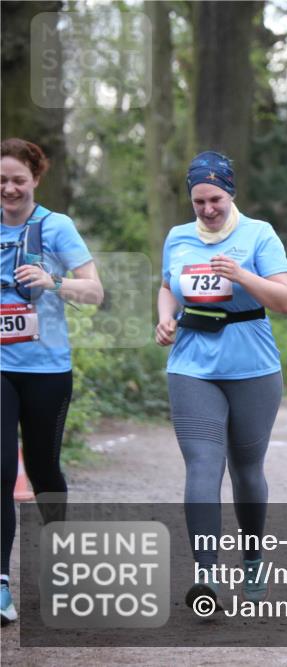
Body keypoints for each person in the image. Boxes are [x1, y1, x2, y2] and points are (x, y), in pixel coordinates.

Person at [155, 151, 287, 609]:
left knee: (246, 470)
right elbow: (165, 285)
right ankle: (206, 575)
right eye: (199, 202)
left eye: (214, 198)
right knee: (202, 464)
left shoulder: (259, 234)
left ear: (230, 192)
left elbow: (285, 300)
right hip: (191, 364)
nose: (208, 209)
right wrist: (165, 317)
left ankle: (252, 556)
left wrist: (241, 275)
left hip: (252, 364)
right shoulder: (177, 238)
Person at [1, 138, 104, 626]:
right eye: (1, 181)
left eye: (18, 179)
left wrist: (53, 282)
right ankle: (1, 584)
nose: (9, 188)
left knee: (43, 470)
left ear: (35, 179)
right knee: (1, 472)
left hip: (45, 369)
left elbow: (95, 291)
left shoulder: (55, 226)